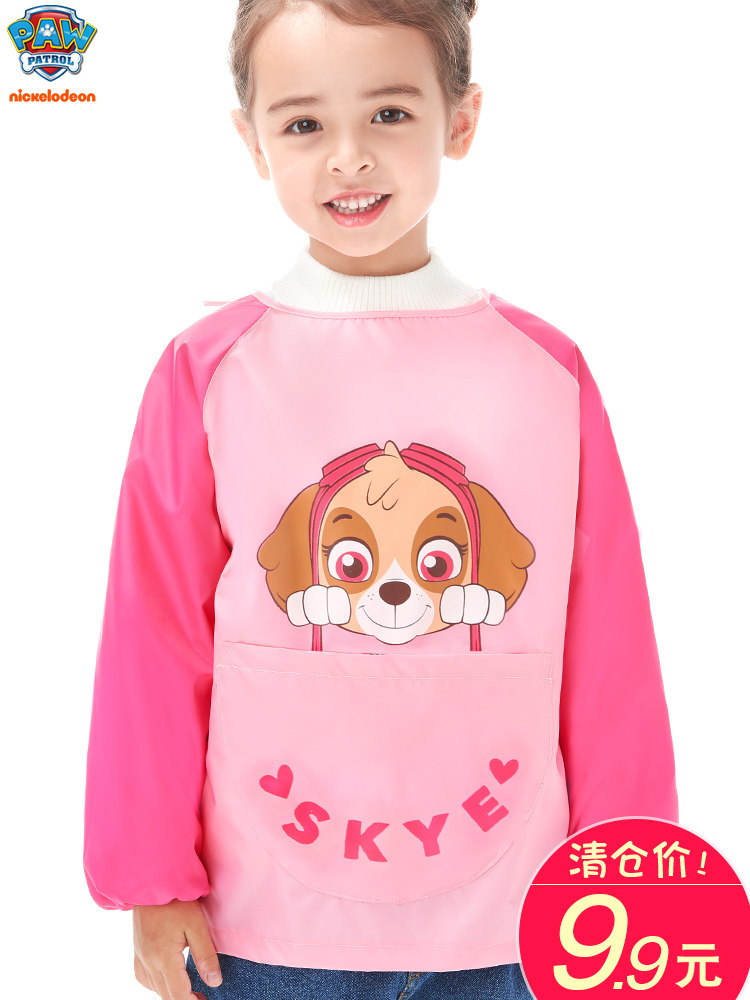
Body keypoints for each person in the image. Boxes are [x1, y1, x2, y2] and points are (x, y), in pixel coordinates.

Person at [82, 1, 679, 998]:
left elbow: (608, 642)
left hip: (516, 918)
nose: (349, 156)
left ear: (462, 119)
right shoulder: (209, 370)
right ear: (252, 140)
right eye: (304, 123)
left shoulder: (546, 372)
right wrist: (151, 876)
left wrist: (630, 870)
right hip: (267, 926)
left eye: (390, 114)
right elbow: (153, 636)